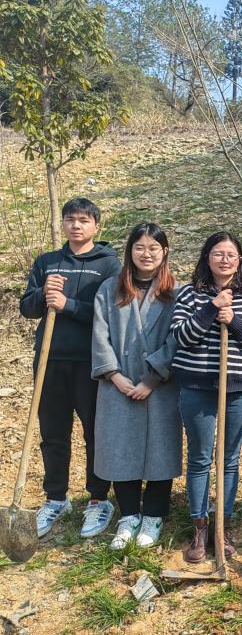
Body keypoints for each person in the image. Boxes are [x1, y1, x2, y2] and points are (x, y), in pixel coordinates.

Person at [19, 197, 121, 539]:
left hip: (91, 363)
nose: (76, 226)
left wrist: (69, 305)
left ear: (97, 226)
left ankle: (98, 499)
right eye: (70, 220)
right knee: (53, 432)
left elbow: (112, 314)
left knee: (95, 431)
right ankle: (55, 498)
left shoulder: (108, 265)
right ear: (63, 224)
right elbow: (27, 308)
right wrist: (43, 295)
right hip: (49, 360)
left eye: (84, 220)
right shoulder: (47, 262)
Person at [171, 232, 242, 563]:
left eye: (231, 254)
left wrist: (234, 321)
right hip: (197, 387)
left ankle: (222, 526)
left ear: (240, 260)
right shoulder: (190, 294)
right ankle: (200, 527)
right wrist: (211, 310)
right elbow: (181, 336)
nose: (225, 260)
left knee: (229, 459)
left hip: (237, 388)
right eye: (218, 253)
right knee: (200, 458)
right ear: (207, 258)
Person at [92, 223, 182, 550]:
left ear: (164, 251)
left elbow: (178, 339)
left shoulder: (177, 291)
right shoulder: (109, 289)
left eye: (153, 248)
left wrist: (152, 378)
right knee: (119, 448)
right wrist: (114, 375)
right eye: (139, 247)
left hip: (160, 386)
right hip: (118, 384)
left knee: (160, 450)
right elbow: (100, 335)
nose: (146, 254)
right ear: (129, 251)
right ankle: (128, 515)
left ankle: (154, 515)